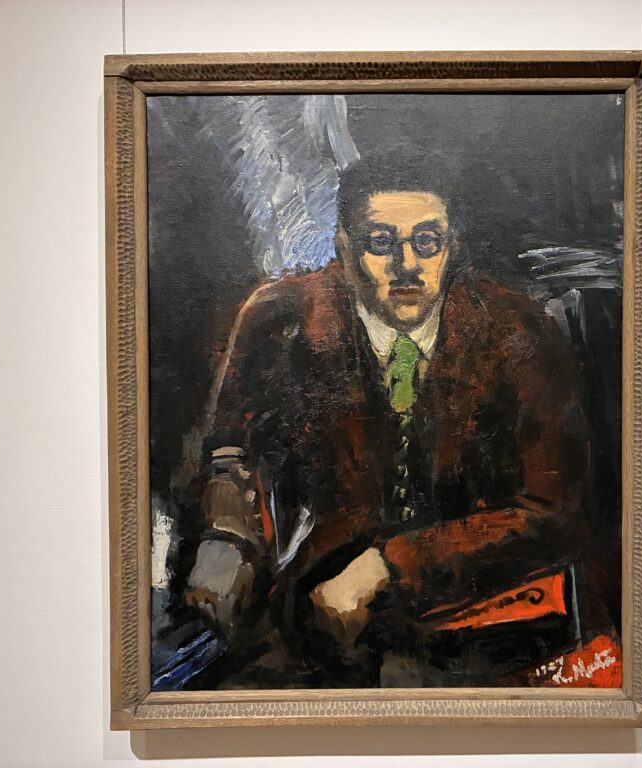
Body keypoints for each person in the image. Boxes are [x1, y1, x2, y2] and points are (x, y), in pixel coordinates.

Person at [183, 153, 616, 688]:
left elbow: (557, 512)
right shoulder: (280, 318)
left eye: (427, 241)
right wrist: (226, 534)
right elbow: (230, 450)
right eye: (381, 242)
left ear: (451, 245)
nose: (406, 264)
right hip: (317, 614)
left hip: (485, 617)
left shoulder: (518, 331)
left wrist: (389, 566)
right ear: (344, 249)